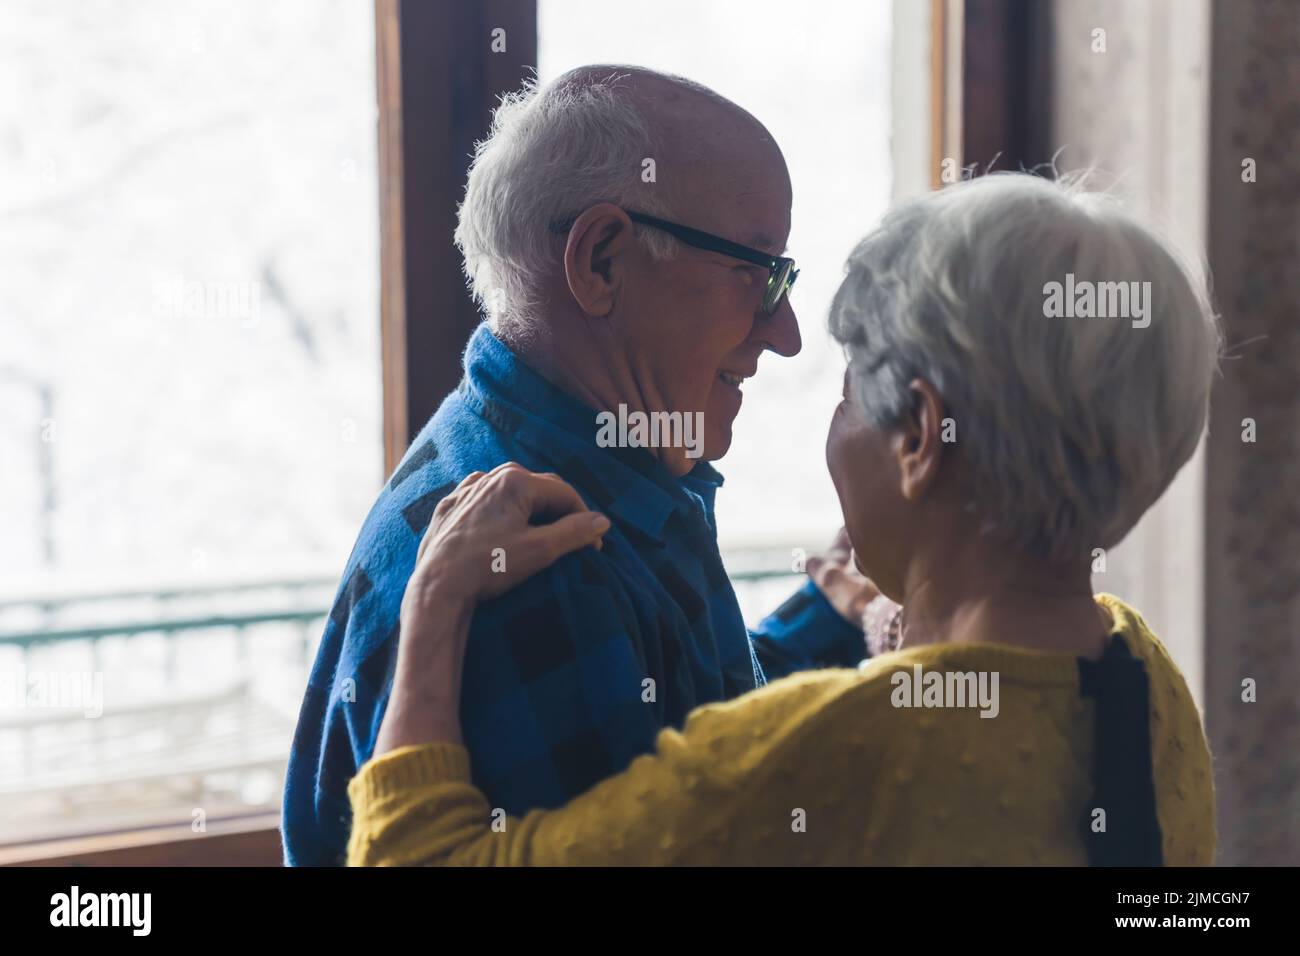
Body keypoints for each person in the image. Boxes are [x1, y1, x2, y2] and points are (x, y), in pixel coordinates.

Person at [345, 172, 1220, 866]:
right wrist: (896, 622)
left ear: (918, 436)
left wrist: (434, 603)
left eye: (847, 397)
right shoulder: (1149, 684)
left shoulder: (817, 759)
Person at [281, 65, 870, 866]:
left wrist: (831, 616)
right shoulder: (540, 561)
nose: (787, 332)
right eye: (759, 274)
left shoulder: (571, 468)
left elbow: (687, 732)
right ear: (600, 260)